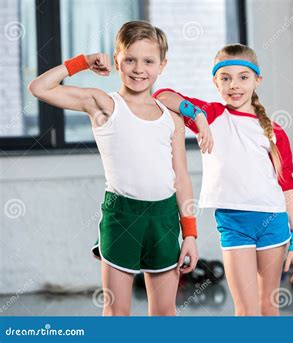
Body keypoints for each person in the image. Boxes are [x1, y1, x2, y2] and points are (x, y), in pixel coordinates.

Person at [28, 20, 212, 316]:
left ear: (162, 65)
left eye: (148, 61)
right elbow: (39, 88)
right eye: (130, 60)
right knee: (117, 313)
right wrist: (84, 62)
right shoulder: (104, 104)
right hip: (122, 215)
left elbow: (181, 178)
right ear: (117, 61)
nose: (139, 69)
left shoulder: (171, 117)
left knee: (165, 313)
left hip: (164, 218)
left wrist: (190, 234)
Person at [154, 43, 293, 316]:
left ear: (257, 80)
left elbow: (288, 188)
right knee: (246, 311)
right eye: (226, 78)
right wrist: (197, 115)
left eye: (243, 77)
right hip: (234, 223)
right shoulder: (213, 115)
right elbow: (162, 95)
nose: (234, 85)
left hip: (273, 221)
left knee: (268, 307)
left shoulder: (274, 131)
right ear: (215, 81)